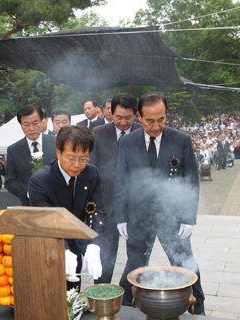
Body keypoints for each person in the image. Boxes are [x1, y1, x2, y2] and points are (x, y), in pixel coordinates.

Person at [114, 92, 205, 314]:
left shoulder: (181, 140)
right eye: (149, 120)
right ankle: (127, 310)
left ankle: (198, 309)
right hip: (138, 215)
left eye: (161, 119)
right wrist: (121, 217)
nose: (156, 126)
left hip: (172, 216)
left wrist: (188, 218)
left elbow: (191, 180)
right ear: (139, 116)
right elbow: (121, 181)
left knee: (186, 264)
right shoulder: (127, 142)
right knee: (134, 266)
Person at [28, 125, 105, 290]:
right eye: (71, 157)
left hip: (76, 241)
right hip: (48, 244)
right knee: (50, 291)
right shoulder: (40, 180)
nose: (77, 164)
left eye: (83, 158)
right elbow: (46, 221)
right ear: (58, 153)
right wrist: (64, 250)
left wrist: (94, 245)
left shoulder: (92, 174)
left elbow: (97, 210)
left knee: (72, 291)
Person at [90, 93, 142, 284]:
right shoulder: (98, 132)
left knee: (137, 258)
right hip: (107, 208)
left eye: (128, 118)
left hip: (135, 207)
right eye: (118, 117)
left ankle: (130, 298)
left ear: (135, 114)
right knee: (105, 258)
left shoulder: (143, 132)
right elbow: (92, 171)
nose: (122, 122)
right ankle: (102, 297)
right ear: (111, 112)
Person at [5, 105, 56, 206]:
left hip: (57, 202)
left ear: (42, 121)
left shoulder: (57, 143)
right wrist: (31, 192)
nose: (31, 128)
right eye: (26, 124)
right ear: (21, 126)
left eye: (35, 123)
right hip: (29, 204)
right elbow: (10, 182)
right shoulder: (13, 150)